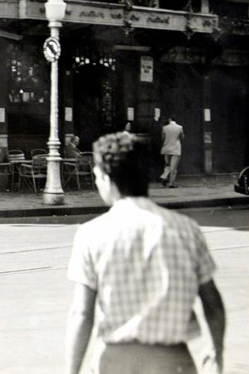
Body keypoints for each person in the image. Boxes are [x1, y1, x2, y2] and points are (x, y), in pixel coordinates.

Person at [65, 131, 226, 374]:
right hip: (174, 361)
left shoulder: (91, 234)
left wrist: (71, 371)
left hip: (114, 362)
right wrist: (216, 352)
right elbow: (213, 304)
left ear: (108, 179)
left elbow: (82, 312)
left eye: (97, 176)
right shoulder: (187, 229)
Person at [159, 116, 185, 188]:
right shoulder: (180, 127)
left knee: (167, 165)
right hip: (176, 149)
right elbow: (182, 137)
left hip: (166, 148)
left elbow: (163, 138)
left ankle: (164, 176)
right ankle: (171, 183)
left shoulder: (164, 128)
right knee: (173, 167)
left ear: (169, 120)